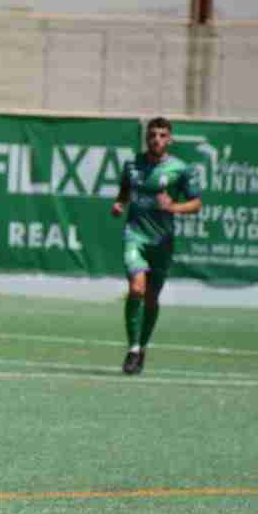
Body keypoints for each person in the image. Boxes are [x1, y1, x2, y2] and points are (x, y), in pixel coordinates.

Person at [111, 117, 202, 375]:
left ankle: (142, 347)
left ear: (169, 139)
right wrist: (120, 204)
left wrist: (173, 207)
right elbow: (124, 192)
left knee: (151, 298)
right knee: (136, 288)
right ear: (146, 138)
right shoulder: (132, 165)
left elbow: (196, 204)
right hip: (135, 236)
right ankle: (133, 349)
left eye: (162, 135)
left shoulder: (181, 169)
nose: (156, 139)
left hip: (162, 241)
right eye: (152, 135)